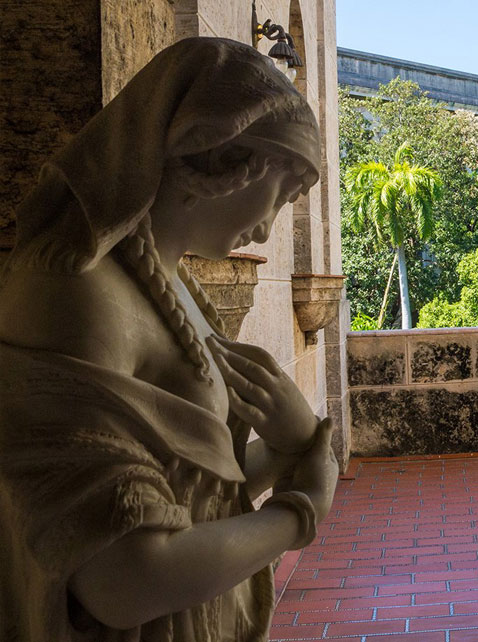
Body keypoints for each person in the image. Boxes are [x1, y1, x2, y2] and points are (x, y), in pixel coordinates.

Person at [0, 38, 340, 641]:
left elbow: (191, 489)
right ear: (225, 161)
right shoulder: (73, 293)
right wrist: (302, 509)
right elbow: (122, 579)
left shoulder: (170, 282)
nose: (267, 227)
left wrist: (295, 445)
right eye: (282, 197)